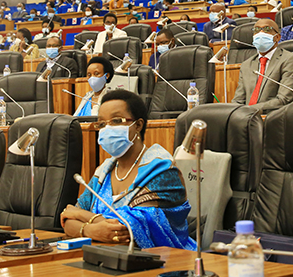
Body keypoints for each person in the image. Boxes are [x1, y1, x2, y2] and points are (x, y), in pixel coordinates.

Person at [61, 90, 195, 249]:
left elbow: (129, 228)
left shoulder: (162, 169)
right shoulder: (103, 172)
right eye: (102, 124)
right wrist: (91, 230)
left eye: (116, 120)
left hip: (165, 262)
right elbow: (67, 220)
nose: (107, 128)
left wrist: (80, 216)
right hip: (106, 257)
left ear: (138, 125)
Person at [232, 19, 293, 114]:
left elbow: (284, 99)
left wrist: (249, 110)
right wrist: (232, 112)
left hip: (274, 117)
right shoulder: (247, 64)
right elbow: (238, 100)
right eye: (256, 30)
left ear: (277, 37)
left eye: (266, 29)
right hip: (247, 119)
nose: (260, 33)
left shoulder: (290, 60)